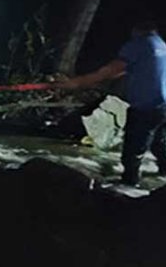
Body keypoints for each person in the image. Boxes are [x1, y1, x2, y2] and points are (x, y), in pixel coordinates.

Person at [59, 20, 166, 186]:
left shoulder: (138, 44)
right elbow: (125, 69)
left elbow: (110, 70)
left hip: (146, 106)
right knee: (159, 144)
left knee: (133, 150)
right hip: (162, 105)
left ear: (136, 29)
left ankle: (129, 186)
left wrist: (77, 83)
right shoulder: (161, 45)